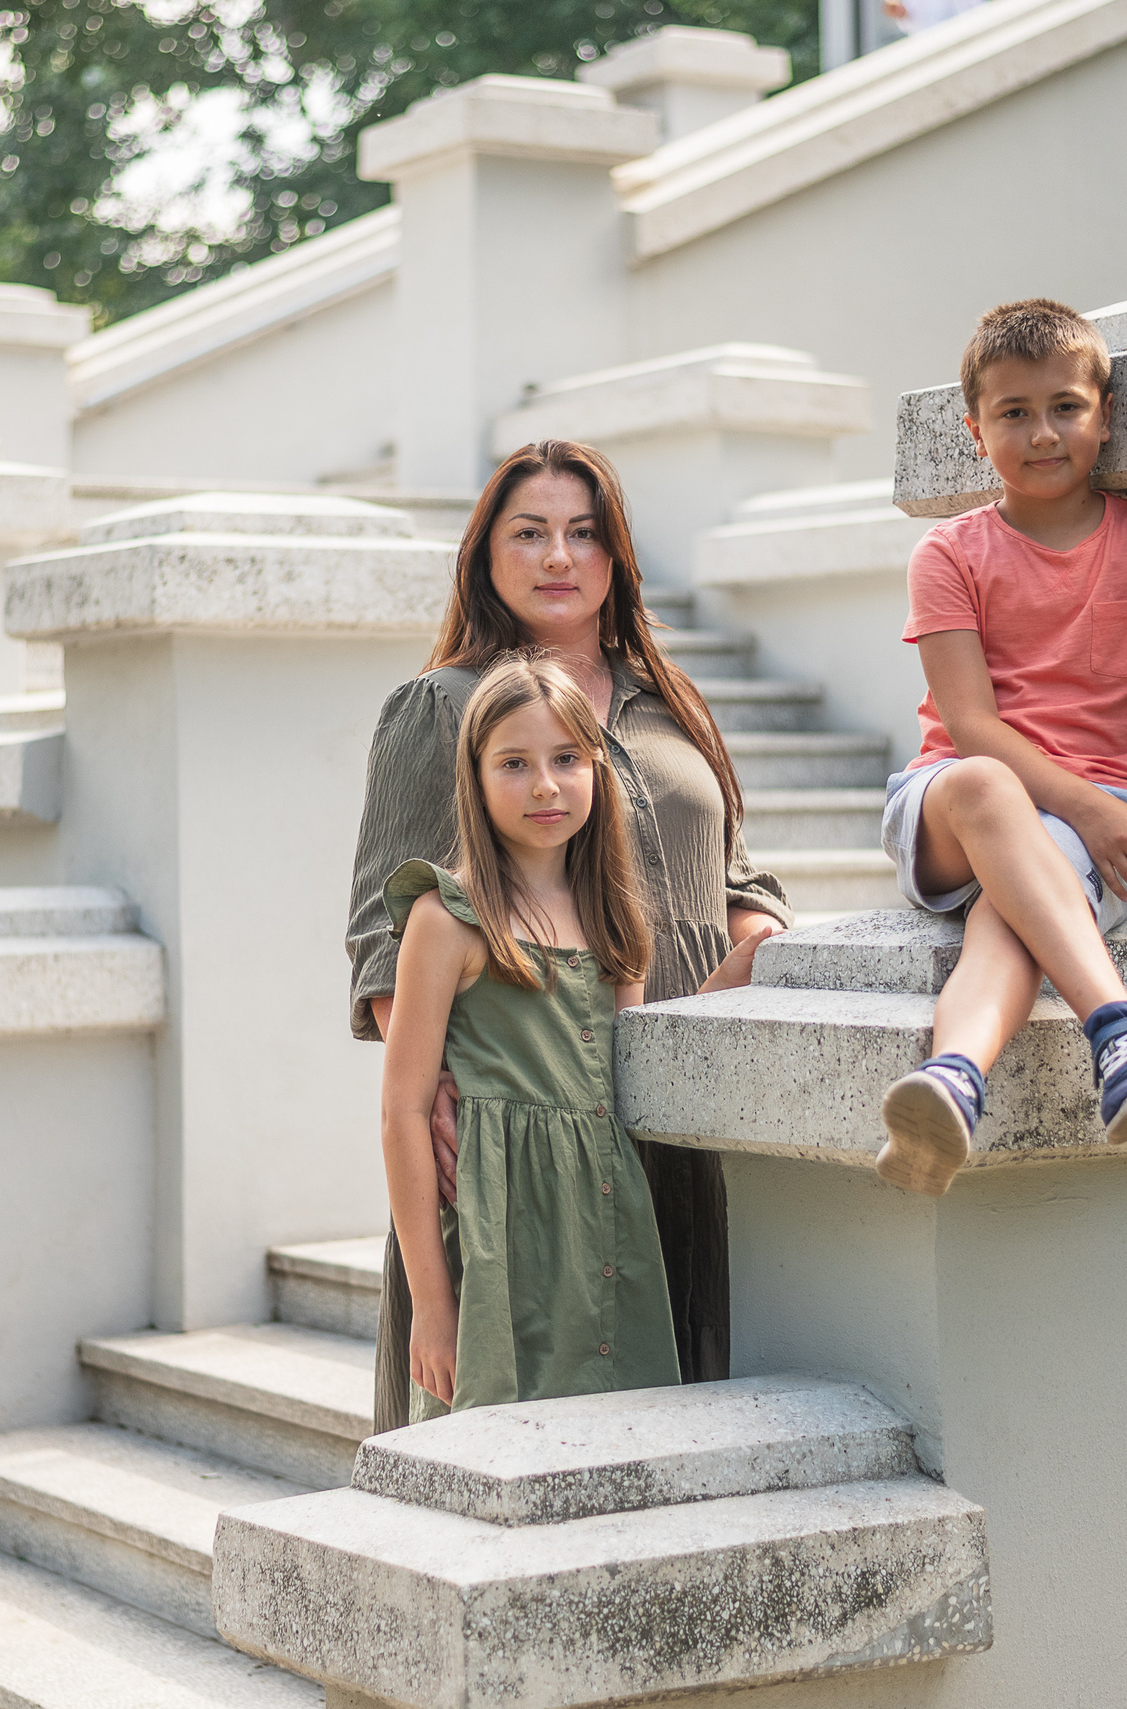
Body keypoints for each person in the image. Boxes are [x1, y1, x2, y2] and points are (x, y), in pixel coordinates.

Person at [347, 439, 790, 1431]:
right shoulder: (443, 707)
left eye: (583, 532)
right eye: (530, 532)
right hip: (518, 1134)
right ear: (485, 554)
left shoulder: (666, 700)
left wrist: (751, 950)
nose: (559, 555)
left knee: (661, 1394)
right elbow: (381, 935)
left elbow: (739, 875)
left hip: (670, 1107)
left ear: (616, 555)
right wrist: (442, 1091)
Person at [873, 298, 1127, 1196]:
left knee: (1006, 922)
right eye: (1013, 413)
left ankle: (952, 1081)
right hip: (952, 805)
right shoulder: (949, 554)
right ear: (976, 431)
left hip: (1092, 827)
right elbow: (970, 725)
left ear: (1105, 413)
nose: (1042, 432)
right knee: (985, 787)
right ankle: (1122, 1034)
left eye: (1065, 406)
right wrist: (1084, 801)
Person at [379, 654, 679, 1418]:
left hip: (606, 1235)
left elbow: (625, 1085)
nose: (545, 784)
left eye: (566, 759)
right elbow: (403, 1112)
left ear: (598, 771)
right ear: (474, 778)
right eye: (514, 762)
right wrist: (433, 1304)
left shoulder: (616, 920)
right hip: (497, 1245)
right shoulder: (447, 918)